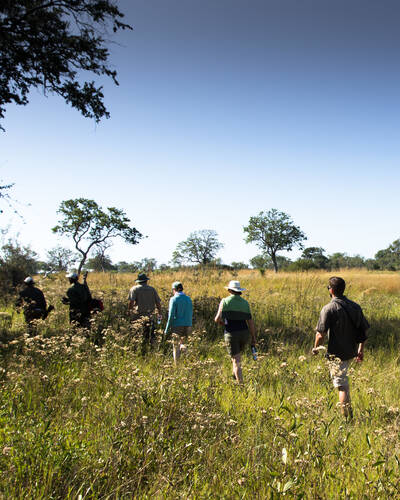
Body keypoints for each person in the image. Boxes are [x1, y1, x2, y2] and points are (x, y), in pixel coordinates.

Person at [312, 276, 369, 418]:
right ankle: (348, 414)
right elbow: (363, 331)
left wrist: (315, 349)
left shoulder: (329, 308)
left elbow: (320, 335)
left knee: (342, 387)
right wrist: (360, 350)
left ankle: (347, 419)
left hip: (337, 354)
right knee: (344, 383)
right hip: (351, 351)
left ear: (331, 290)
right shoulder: (355, 306)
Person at [214, 280, 257, 384]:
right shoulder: (245, 303)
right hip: (244, 333)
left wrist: (222, 323)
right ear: (239, 291)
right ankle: (235, 377)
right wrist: (253, 337)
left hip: (231, 333)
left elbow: (217, 319)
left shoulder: (225, 301)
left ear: (229, 290)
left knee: (236, 360)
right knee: (236, 358)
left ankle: (241, 385)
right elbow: (250, 322)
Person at [128, 273, 162, 351]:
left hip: (137, 317)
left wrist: (129, 312)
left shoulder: (134, 289)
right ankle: (152, 351)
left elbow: (131, 302)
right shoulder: (152, 289)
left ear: (138, 281)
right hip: (150, 316)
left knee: (136, 336)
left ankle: (137, 351)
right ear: (146, 281)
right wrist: (159, 314)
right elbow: (158, 303)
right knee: (150, 336)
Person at [164, 281, 193, 364]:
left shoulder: (174, 299)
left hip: (177, 325)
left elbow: (171, 315)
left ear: (174, 289)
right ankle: (189, 361)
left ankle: (177, 366)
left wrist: (167, 328)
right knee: (184, 344)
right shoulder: (188, 299)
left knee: (176, 346)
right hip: (188, 324)